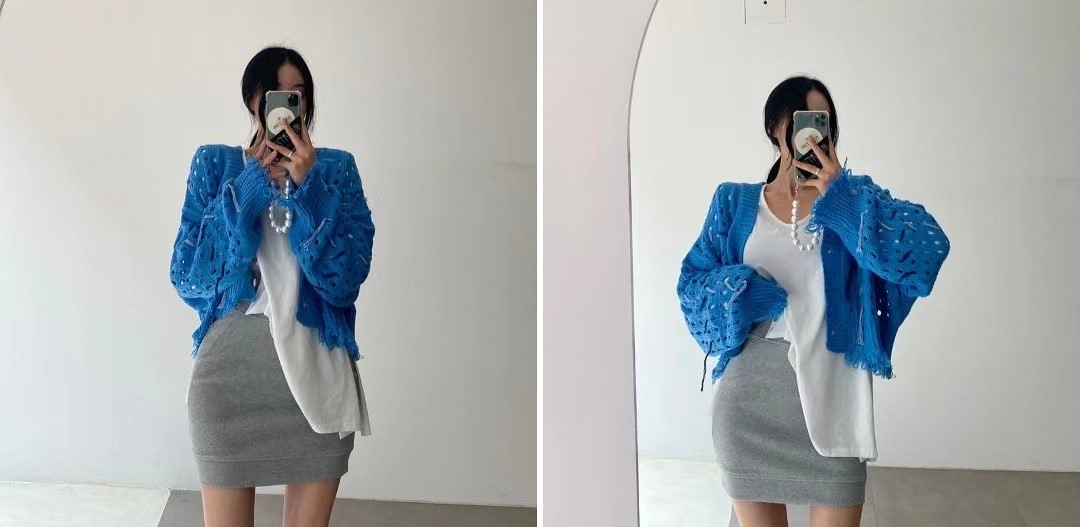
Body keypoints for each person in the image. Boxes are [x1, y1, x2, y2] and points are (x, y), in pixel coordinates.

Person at [676, 76, 949, 527]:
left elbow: (927, 252)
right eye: (802, 121)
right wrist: (743, 292)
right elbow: (691, 286)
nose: (812, 137)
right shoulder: (733, 202)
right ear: (775, 129)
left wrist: (844, 200)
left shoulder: (854, 200)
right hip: (748, 405)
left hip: (836, 403)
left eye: (823, 122)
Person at [169, 46, 375, 527]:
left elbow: (345, 283)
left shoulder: (337, 171)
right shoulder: (215, 165)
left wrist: (310, 192)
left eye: (298, 95)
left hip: (317, 378)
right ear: (254, 100)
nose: (287, 107)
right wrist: (245, 192)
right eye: (277, 95)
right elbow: (188, 275)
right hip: (227, 381)